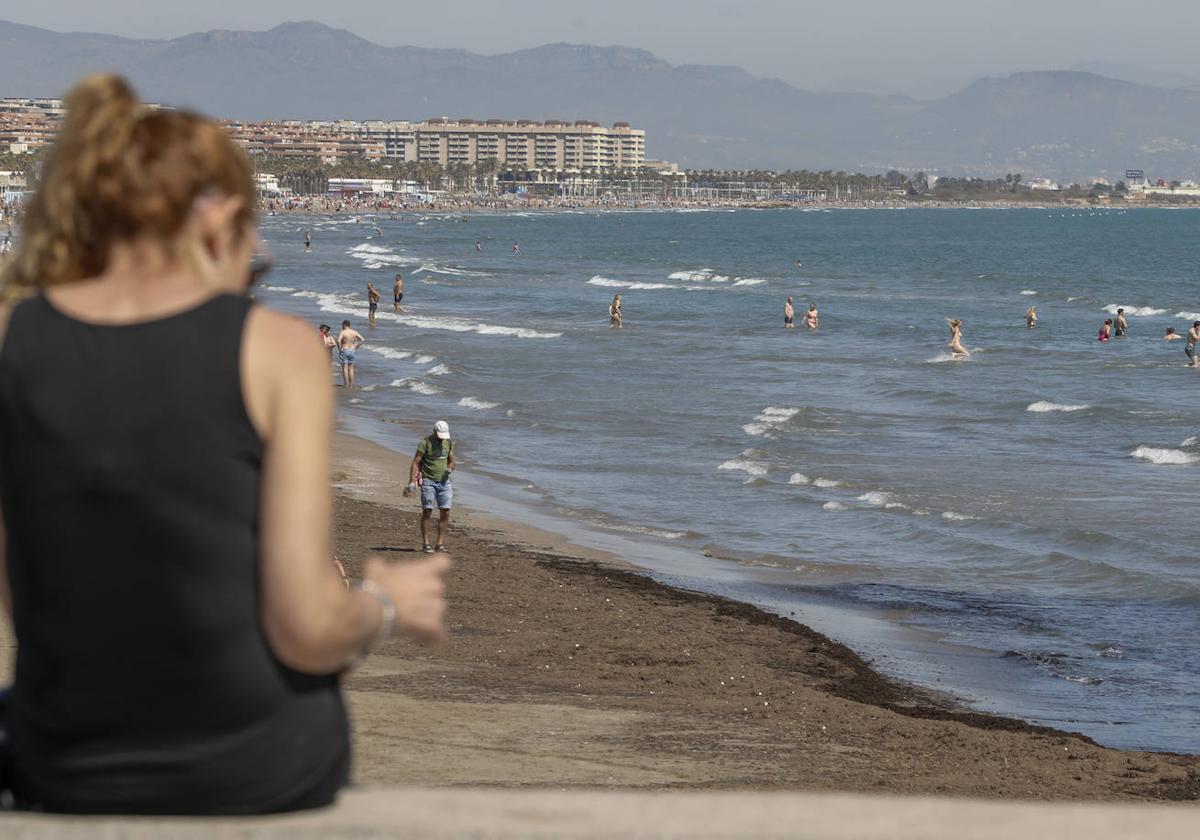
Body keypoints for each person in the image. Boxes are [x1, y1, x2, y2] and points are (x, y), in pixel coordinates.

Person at [0, 73, 449, 815]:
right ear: (220, 221)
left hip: (67, 761)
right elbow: (308, 630)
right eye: (254, 253)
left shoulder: (14, 341)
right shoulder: (275, 352)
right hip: (256, 764)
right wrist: (386, 604)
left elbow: (30, 600)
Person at [403, 421, 457, 553]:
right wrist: (412, 481)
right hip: (428, 481)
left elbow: (452, 461)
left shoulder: (448, 443)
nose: (441, 438)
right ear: (434, 432)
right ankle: (426, 543)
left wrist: (450, 469)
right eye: (439, 435)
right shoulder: (425, 443)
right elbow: (416, 462)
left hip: (445, 482)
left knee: (445, 511)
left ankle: (439, 543)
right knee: (427, 511)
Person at [337, 319, 365, 388]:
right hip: (352, 350)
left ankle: (346, 384)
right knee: (351, 368)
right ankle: (351, 385)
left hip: (345, 349)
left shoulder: (343, 332)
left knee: (345, 368)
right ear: (349, 325)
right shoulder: (354, 332)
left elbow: (338, 341)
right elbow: (362, 340)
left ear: (344, 325)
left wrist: (340, 349)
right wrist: (356, 346)